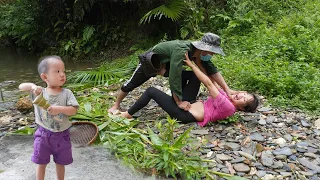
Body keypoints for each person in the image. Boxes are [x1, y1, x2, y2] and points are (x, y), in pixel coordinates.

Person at [108, 33, 238, 114]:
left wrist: (227, 89)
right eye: (212, 52)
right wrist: (179, 102)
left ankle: (183, 97)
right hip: (150, 62)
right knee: (131, 84)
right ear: (205, 49)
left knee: (193, 75)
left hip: (166, 65)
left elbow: (212, 71)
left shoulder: (198, 55)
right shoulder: (183, 50)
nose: (213, 55)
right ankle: (116, 105)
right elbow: (175, 76)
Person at [120, 53, 259, 126]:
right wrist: (198, 62)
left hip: (183, 113)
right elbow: (212, 82)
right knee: (194, 76)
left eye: (244, 100)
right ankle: (166, 72)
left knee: (151, 91)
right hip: (191, 102)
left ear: (241, 109)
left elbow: (209, 85)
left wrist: (192, 65)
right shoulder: (228, 99)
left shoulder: (228, 107)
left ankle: (128, 114)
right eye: (243, 94)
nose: (240, 96)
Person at [19, 55, 79, 180]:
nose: (62, 74)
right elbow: (21, 87)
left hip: (62, 136)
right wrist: (32, 86)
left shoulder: (67, 93)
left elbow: (73, 110)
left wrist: (59, 109)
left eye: (63, 71)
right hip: (43, 135)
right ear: (45, 77)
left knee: (60, 163)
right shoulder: (40, 93)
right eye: (57, 71)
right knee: (41, 163)